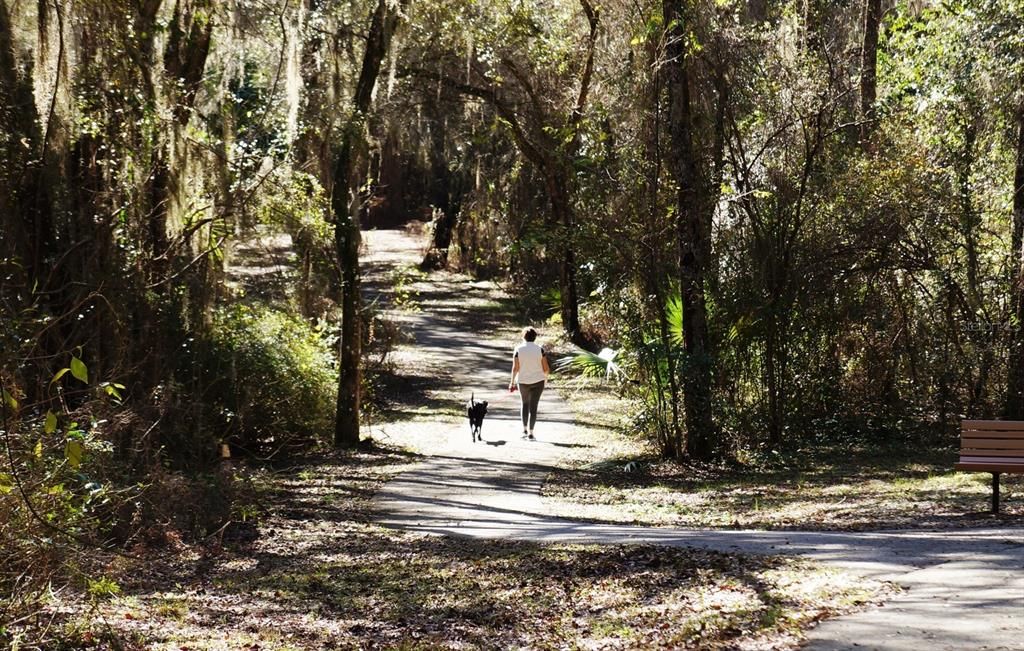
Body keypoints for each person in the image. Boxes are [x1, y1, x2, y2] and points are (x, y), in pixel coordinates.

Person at [509, 326, 550, 440]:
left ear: (523, 336)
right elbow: (546, 368)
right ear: (535, 337)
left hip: (523, 381)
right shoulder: (540, 350)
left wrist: (512, 382)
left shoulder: (518, 349)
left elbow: (515, 368)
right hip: (538, 381)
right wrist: (545, 379)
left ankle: (524, 429)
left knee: (525, 404)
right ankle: (531, 432)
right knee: (534, 407)